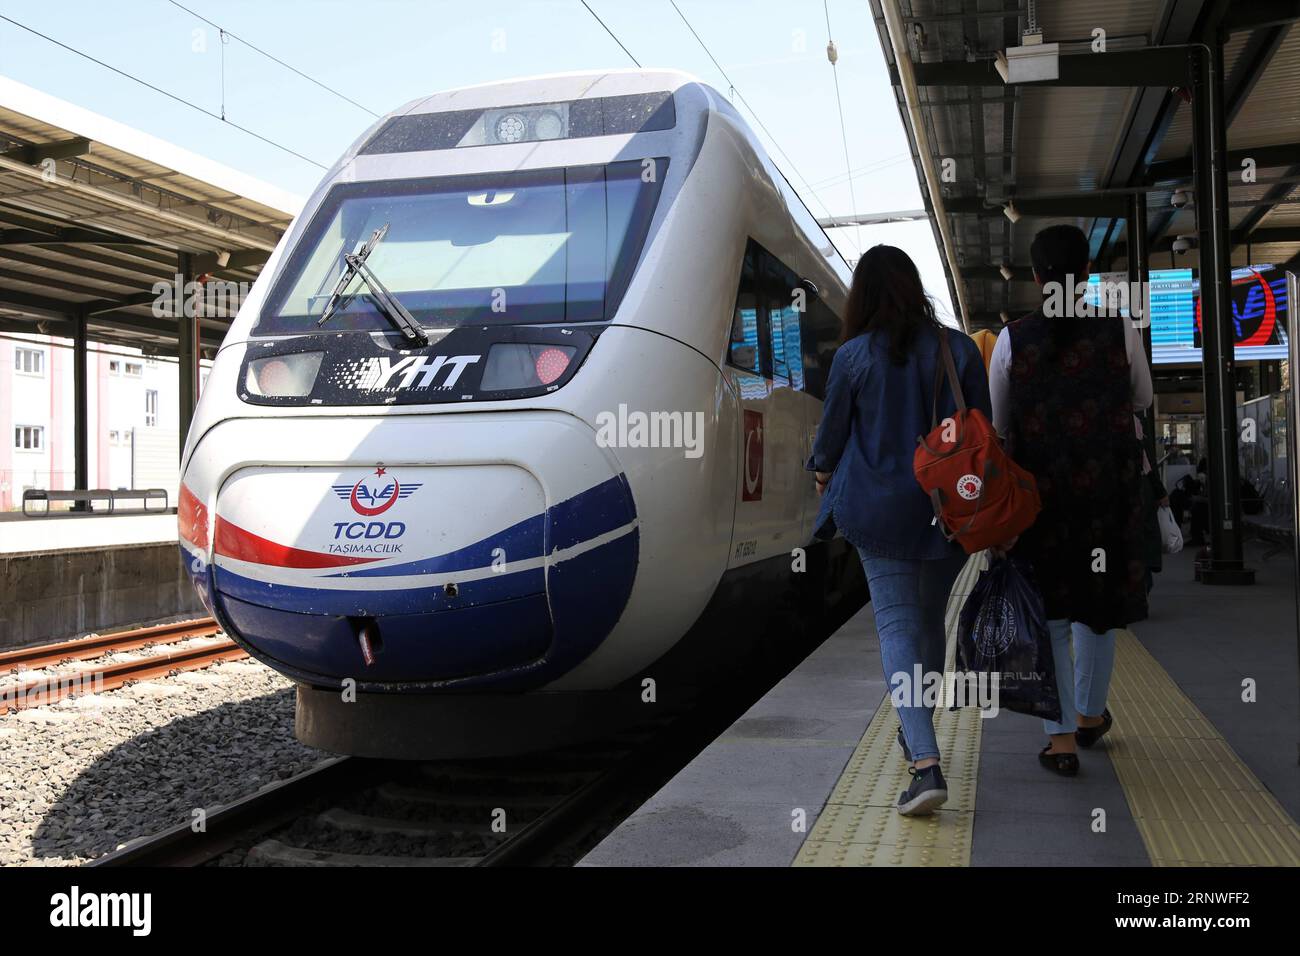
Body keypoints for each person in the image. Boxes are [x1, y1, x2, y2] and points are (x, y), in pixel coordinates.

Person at [808, 244, 991, 815]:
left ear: (863, 296)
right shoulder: (958, 348)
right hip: (950, 512)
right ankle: (919, 734)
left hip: (878, 512)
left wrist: (821, 472)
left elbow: (830, 439)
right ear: (915, 289)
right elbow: (983, 428)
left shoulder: (854, 357)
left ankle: (925, 763)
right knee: (929, 622)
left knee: (895, 626)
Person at [988, 224, 1152, 775]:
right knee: (1097, 612)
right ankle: (1089, 717)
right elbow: (1143, 400)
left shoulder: (1012, 340)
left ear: (1035, 277)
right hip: (1107, 498)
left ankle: (1057, 739)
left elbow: (1000, 424)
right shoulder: (1120, 328)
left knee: (1053, 614)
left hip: (1042, 503)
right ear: (1085, 274)